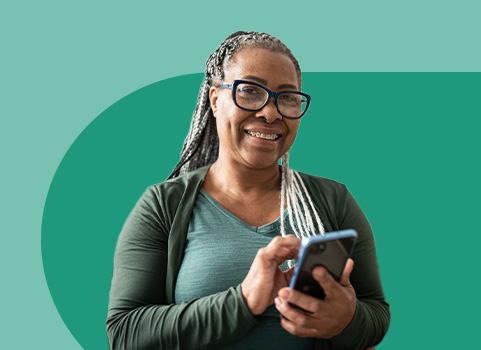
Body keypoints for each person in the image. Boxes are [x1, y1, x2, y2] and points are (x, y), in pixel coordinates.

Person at [106, 31, 390, 350]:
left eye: (287, 98)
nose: (271, 113)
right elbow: (125, 332)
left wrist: (346, 320)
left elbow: (376, 314)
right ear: (215, 100)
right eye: (251, 91)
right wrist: (242, 302)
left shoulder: (333, 200)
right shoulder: (163, 205)